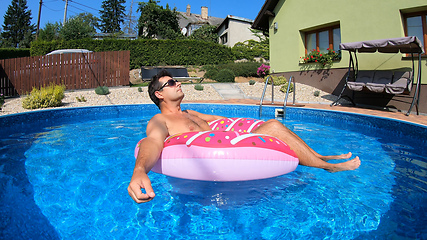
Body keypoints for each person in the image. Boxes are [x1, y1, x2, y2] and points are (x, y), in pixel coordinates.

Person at [128, 70, 361, 203]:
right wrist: (139, 171)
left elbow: (225, 122)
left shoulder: (190, 113)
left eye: (176, 80)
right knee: (273, 126)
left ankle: (320, 156)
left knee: (273, 124)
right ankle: (327, 166)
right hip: (207, 174)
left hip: (232, 149)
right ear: (159, 94)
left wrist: (242, 130)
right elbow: (153, 141)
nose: (178, 83)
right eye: (171, 83)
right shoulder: (160, 121)